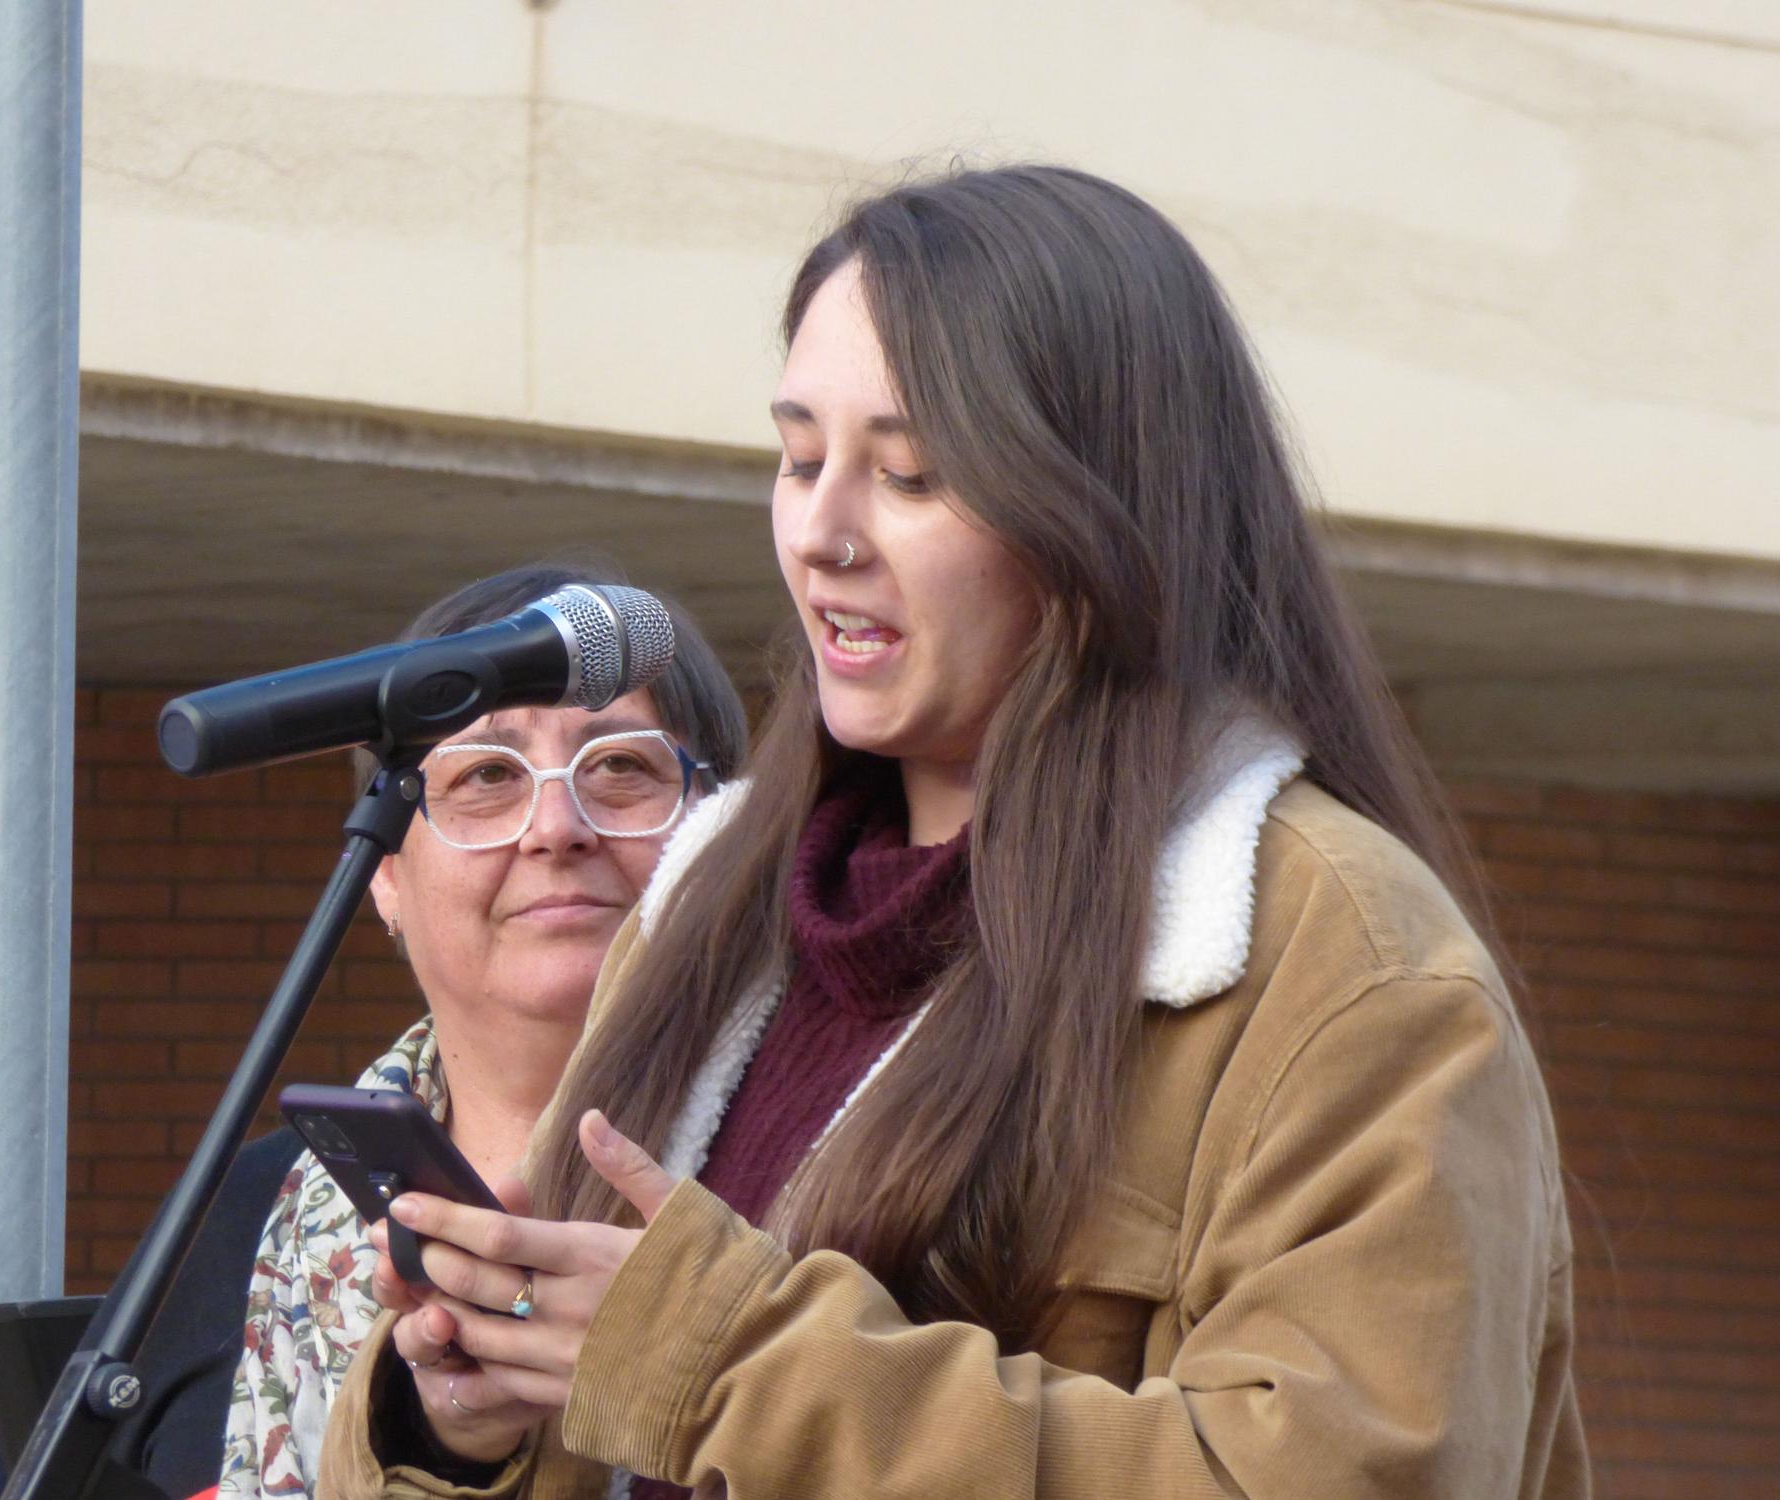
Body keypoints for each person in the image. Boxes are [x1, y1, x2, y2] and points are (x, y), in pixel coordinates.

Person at [322, 166, 1589, 1500]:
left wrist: (729, 1365)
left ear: (1107, 517)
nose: (822, 533)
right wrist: (455, 1423)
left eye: (912, 474)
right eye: (801, 457)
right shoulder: (705, 904)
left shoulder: (1341, 962)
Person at [78, 564, 746, 1500]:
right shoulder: (241, 1218)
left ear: (726, 832)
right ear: (383, 877)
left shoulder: (835, 1160)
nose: (557, 826)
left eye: (621, 767)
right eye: (485, 778)